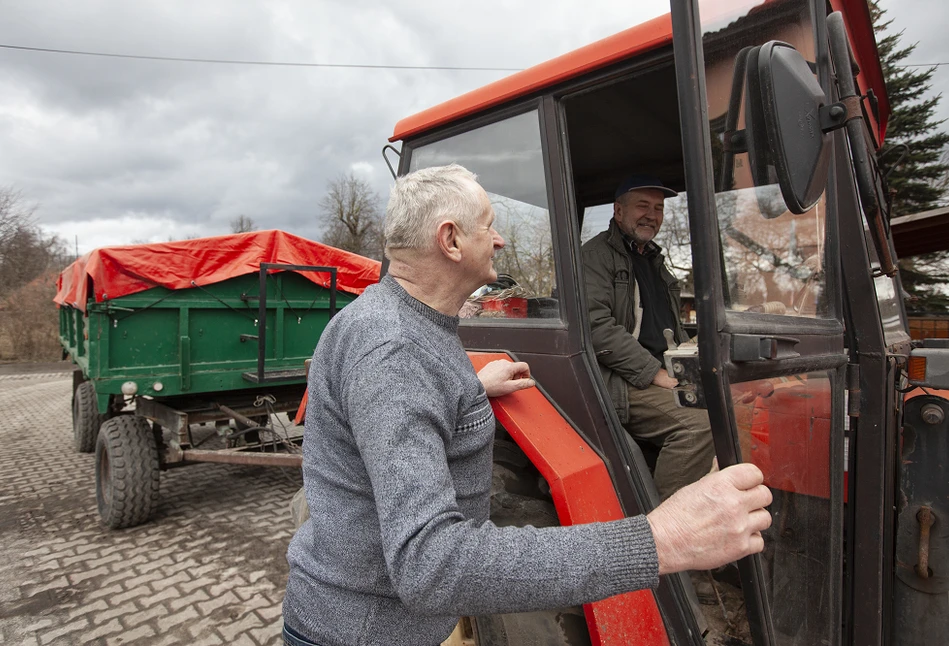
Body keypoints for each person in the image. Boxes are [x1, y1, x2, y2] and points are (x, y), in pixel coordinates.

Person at [282, 164, 772, 646]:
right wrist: (659, 541)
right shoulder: (394, 351)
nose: (498, 240)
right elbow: (432, 566)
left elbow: (409, 395)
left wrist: (470, 388)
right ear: (450, 241)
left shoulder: (403, 326)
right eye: (489, 225)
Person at [581, 174, 715, 500]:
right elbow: (595, 326)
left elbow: (670, 326)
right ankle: (672, 529)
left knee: (733, 407)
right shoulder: (595, 257)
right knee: (699, 425)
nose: (651, 215)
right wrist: (656, 373)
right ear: (618, 210)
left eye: (658, 208)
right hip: (617, 377)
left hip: (661, 370)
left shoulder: (654, 261)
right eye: (642, 205)